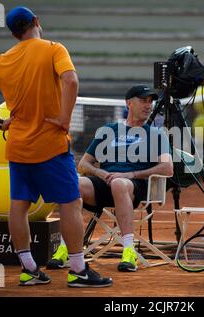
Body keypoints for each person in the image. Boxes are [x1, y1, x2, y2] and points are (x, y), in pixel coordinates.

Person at [0, 6, 112, 287]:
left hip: (19, 147)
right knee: (70, 204)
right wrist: (63, 118)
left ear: (13, 32)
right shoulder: (54, 49)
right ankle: (79, 270)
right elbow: (71, 80)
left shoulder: (2, 61)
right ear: (36, 22)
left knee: (18, 208)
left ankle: (29, 269)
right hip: (51, 145)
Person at [47, 84, 173, 272]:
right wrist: (100, 173)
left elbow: (167, 167)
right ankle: (66, 248)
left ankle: (129, 252)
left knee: (120, 183)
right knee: (76, 184)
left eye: (150, 102)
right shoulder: (109, 130)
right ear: (129, 103)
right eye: (143, 100)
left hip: (134, 185)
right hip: (105, 183)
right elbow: (84, 164)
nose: (148, 105)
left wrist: (131, 174)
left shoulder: (156, 134)